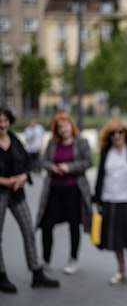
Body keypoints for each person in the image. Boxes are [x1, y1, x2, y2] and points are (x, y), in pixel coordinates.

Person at [0, 107, 59, 293]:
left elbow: (27, 164)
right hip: (1, 192)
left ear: (9, 121)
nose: (2, 124)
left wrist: (23, 177)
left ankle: (36, 273)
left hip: (17, 193)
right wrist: (7, 181)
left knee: (28, 230)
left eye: (4, 120)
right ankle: (1, 275)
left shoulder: (15, 141)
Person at [93, 118, 127, 286]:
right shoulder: (106, 151)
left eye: (120, 132)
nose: (117, 136)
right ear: (109, 137)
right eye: (113, 133)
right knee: (115, 239)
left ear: (125, 133)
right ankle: (121, 270)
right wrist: (97, 198)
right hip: (110, 199)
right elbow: (100, 175)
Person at [36, 111, 92, 275]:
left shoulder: (81, 142)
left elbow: (88, 161)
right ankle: (45, 259)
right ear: (56, 129)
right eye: (60, 127)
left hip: (74, 190)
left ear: (71, 126)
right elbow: (43, 161)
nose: (63, 129)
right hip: (54, 189)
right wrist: (52, 167)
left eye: (66, 125)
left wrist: (69, 167)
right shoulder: (52, 143)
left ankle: (72, 259)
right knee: (47, 225)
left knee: (74, 225)